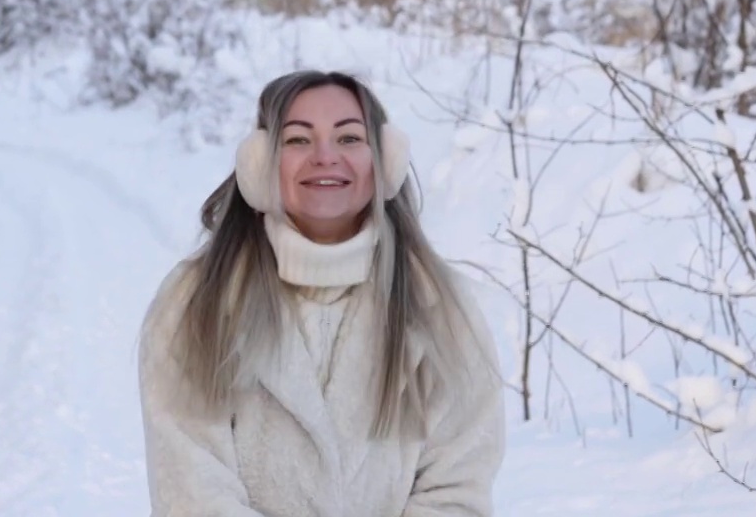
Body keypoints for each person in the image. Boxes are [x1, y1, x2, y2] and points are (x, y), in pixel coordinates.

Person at [137, 70, 506, 516]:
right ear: (259, 164)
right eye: (297, 140)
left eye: (349, 138)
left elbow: (456, 490)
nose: (325, 156)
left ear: (384, 161)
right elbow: (193, 493)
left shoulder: (441, 308)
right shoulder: (197, 302)